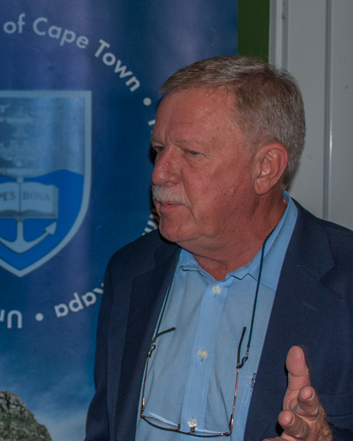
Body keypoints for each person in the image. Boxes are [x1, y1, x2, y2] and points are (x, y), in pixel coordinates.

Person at [86, 56, 353, 441]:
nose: (159, 173)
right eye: (159, 149)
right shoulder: (130, 271)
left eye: (191, 153)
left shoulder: (343, 282)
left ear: (266, 167)